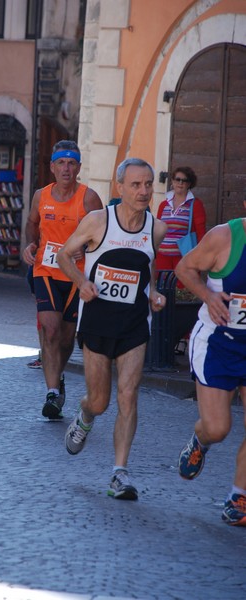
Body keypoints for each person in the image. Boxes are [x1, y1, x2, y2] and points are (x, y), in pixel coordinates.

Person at [57, 158, 167, 500]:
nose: (144, 191)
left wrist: (154, 294)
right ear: (120, 187)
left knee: (128, 395)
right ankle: (86, 415)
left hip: (134, 324)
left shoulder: (156, 229)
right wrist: (81, 281)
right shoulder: (98, 221)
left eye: (148, 184)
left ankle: (120, 473)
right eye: (136, 185)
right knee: (101, 400)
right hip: (97, 321)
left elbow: (145, 271)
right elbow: (64, 255)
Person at [22, 140, 103, 419]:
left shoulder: (89, 198)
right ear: (52, 167)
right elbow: (32, 223)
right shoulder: (40, 196)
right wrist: (30, 245)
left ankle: (58, 377)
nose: (66, 168)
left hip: (76, 277)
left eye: (72, 163)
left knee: (67, 340)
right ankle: (52, 392)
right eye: (61, 163)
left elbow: (102, 236)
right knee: (51, 330)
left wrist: (88, 248)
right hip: (45, 269)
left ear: (78, 168)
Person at [176, 210, 246, 527]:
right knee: (218, 428)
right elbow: (184, 267)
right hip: (218, 344)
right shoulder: (224, 237)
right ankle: (200, 441)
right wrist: (208, 295)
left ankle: (238, 497)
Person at [155, 166, 206, 281]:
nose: (180, 183)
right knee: (163, 290)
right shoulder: (163, 205)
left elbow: (201, 234)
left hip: (183, 257)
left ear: (190, 184)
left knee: (182, 291)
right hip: (162, 257)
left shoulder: (196, 204)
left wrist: (199, 258)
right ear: (172, 181)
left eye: (185, 180)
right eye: (177, 179)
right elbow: (157, 229)